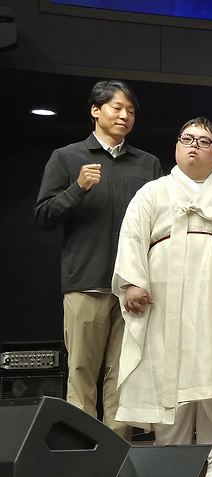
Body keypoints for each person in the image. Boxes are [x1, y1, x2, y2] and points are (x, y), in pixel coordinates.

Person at [112, 118, 212, 477]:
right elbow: (132, 236)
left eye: (203, 141)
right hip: (163, 289)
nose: (193, 146)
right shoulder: (152, 192)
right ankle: (173, 453)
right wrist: (132, 282)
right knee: (168, 364)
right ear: (177, 146)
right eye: (187, 139)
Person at [34, 80, 162, 440]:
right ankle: (82, 454)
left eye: (130, 111)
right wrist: (78, 188)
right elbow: (43, 216)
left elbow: (160, 225)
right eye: (116, 108)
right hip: (86, 283)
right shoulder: (67, 157)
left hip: (132, 289)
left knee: (124, 375)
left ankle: (117, 457)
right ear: (95, 110)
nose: (124, 116)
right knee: (81, 373)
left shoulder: (148, 163)